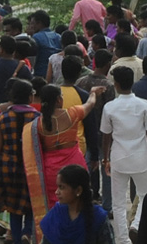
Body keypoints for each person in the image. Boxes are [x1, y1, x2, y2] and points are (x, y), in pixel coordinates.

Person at [101, 66, 147, 244]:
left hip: (118, 157)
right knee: (146, 196)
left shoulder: (109, 107)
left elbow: (106, 136)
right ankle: (136, 224)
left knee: (118, 202)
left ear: (116, 84)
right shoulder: (145, 105)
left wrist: (105, 158)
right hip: (141, 157)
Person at [0, 79, 41, 244]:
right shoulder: (37, 118)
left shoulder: (3, 118)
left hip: (7, 167)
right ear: (30, 96)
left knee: (14, 209)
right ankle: (28, 233)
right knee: (31, 206)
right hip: (31, 168)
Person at [31, 82, 103, 215]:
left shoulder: (38, 124)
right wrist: (92, 92)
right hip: (75, 166)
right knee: (79, 203)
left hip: (50, 171)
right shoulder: (72, 113)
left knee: (55, 207)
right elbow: (90, 104)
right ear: (59, 100)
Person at [28, 10, 64, 78]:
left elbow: (32, 60)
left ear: (39, 23)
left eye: (32, 23)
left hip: (40, 75)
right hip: (57, 75)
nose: (31, 26)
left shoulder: (36, 37)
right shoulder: (58, 36)